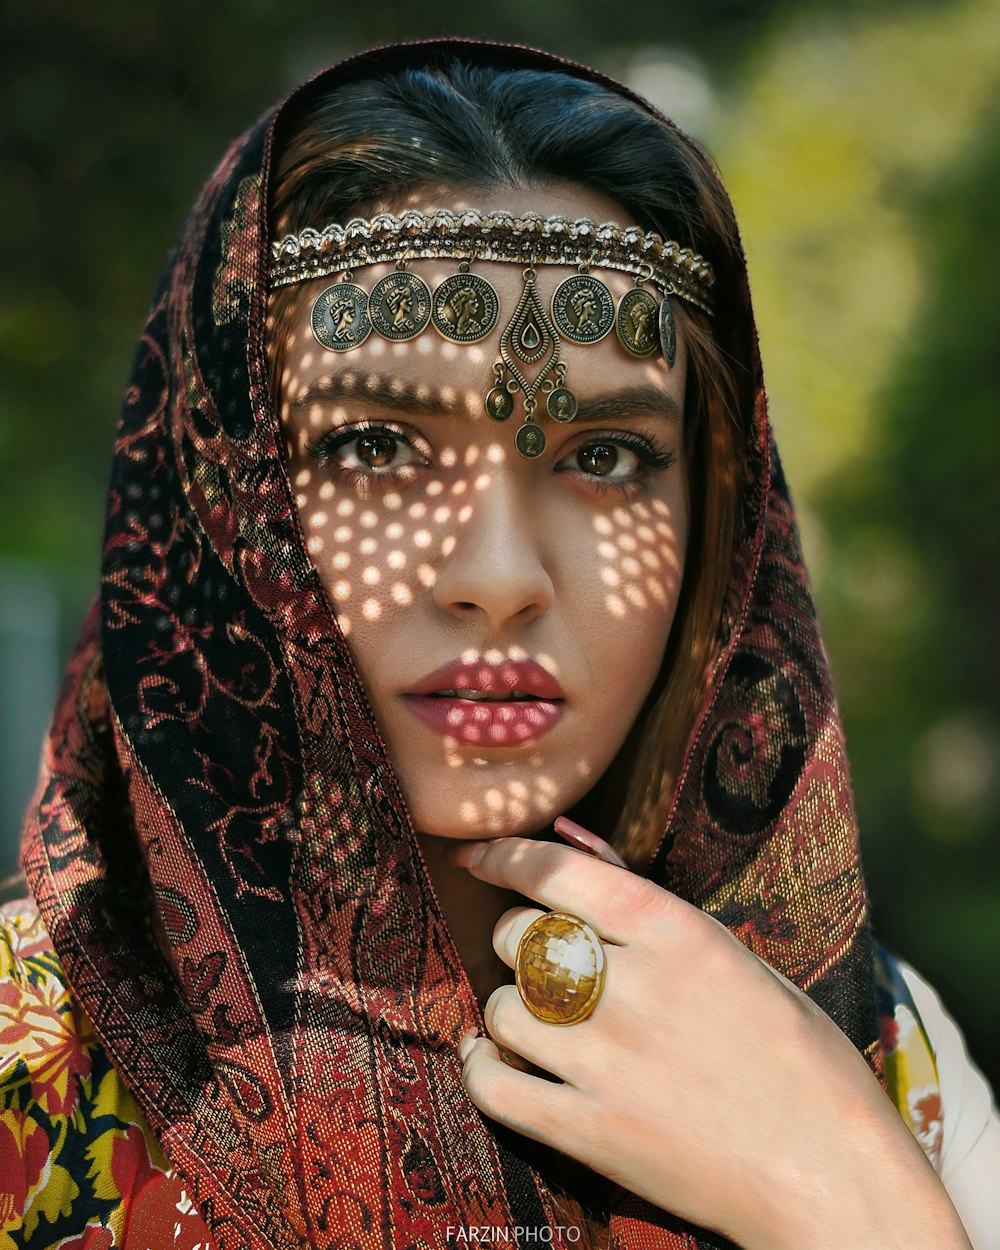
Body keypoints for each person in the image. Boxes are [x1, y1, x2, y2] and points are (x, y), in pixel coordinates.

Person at [2, 39, 997, 1250]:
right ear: (223, 498)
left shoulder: (867, 1051)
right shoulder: (29, 1058)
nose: (496, 577)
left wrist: (847, 1194)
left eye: (604, 456)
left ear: (718, 528)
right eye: (374, 446)